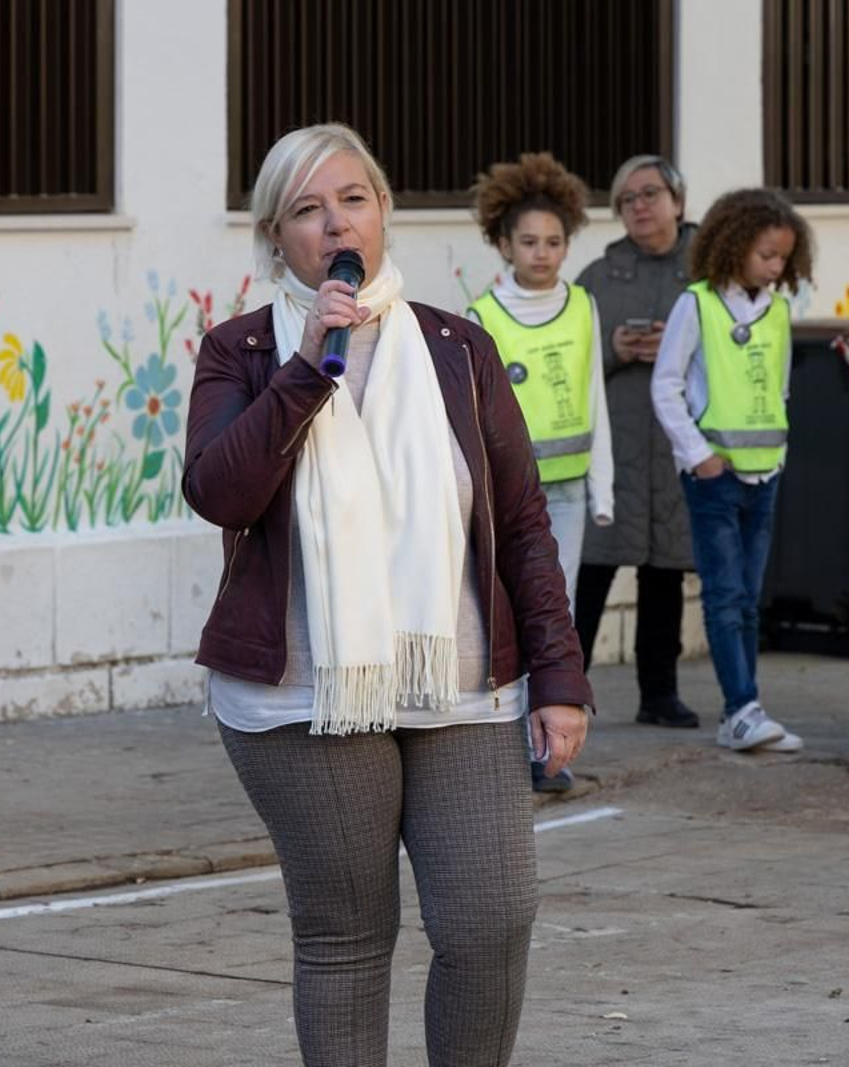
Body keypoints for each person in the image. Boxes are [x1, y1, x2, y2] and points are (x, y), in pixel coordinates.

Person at [183, 123, 593, 1067]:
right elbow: (220, 491)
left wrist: (559, 676)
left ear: (383, 214)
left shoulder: (457, 348)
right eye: (308, 209)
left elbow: (523, 524)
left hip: (461, 685)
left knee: (491, 920)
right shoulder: (242, 352)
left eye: (353, 199)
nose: (336, 224)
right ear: (274, 237)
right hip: (303, 697)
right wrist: (306, 367)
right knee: (349, 938)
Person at [466, 152, 612, 794]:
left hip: (570, 491)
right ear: (503, 243)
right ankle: (504, 737)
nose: (543, 253)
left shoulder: (583, 306)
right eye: (529, 241)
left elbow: (596, 398)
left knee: (560, 615)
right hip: (506, 498)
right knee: (507, 614)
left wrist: (603, 489)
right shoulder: (480, 317)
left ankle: (548, 750)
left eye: (554, 241)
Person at [650, 187, 815, 753]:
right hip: (713, 481)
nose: (776, 267)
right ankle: (741, 707)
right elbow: (666, 386)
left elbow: (781, 389)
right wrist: (699, 456)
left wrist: (780, 456)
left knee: (747, 596)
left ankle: (745, 708)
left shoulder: (780, 311)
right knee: (723, 596)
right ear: (735, 245)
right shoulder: (696, 304)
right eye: (767, 255)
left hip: (764, 476)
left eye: (783, 259)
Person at [573, 155, 702, 730]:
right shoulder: (599, 277)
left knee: (665, 570)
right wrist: (616, 351)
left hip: (678, 444)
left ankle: (660, 694)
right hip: (616, 444)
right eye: (627, 199)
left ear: (678, 200)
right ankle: (565, 692)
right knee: (592, 569)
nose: (640, 206)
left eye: (650, 193)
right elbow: (567, 360)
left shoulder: (709, 268)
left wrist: (677, 353)